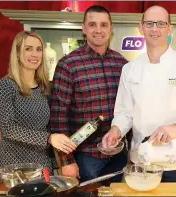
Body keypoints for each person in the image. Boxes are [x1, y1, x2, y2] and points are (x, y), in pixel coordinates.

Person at [102, 5, 176, 182]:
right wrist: (116, 130)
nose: (154, 29)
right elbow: (124, 113)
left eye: (161, 24)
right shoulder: (130, 69)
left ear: (170, 28)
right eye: (149, 23)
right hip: (140, 162)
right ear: (141, 27)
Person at [50, 5, 128, 183]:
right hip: (85, 158)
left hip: (118, 156)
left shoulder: (122, 64)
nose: (98, 30)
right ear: (84, 29)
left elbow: (128, 109)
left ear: (111, 28)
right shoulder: (68, 65)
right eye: (92, 24)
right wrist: (66, 161)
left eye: (103, 25)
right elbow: (58, 117)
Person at [0, 31, 76, 176]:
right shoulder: (6, 86)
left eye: (38, 49)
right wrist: (48, 138)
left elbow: (49, 125)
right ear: (17, 53)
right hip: (15, 166)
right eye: (28, 49)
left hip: (43, 165)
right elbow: (8, 128)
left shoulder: (45, 87)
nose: (35, 54)